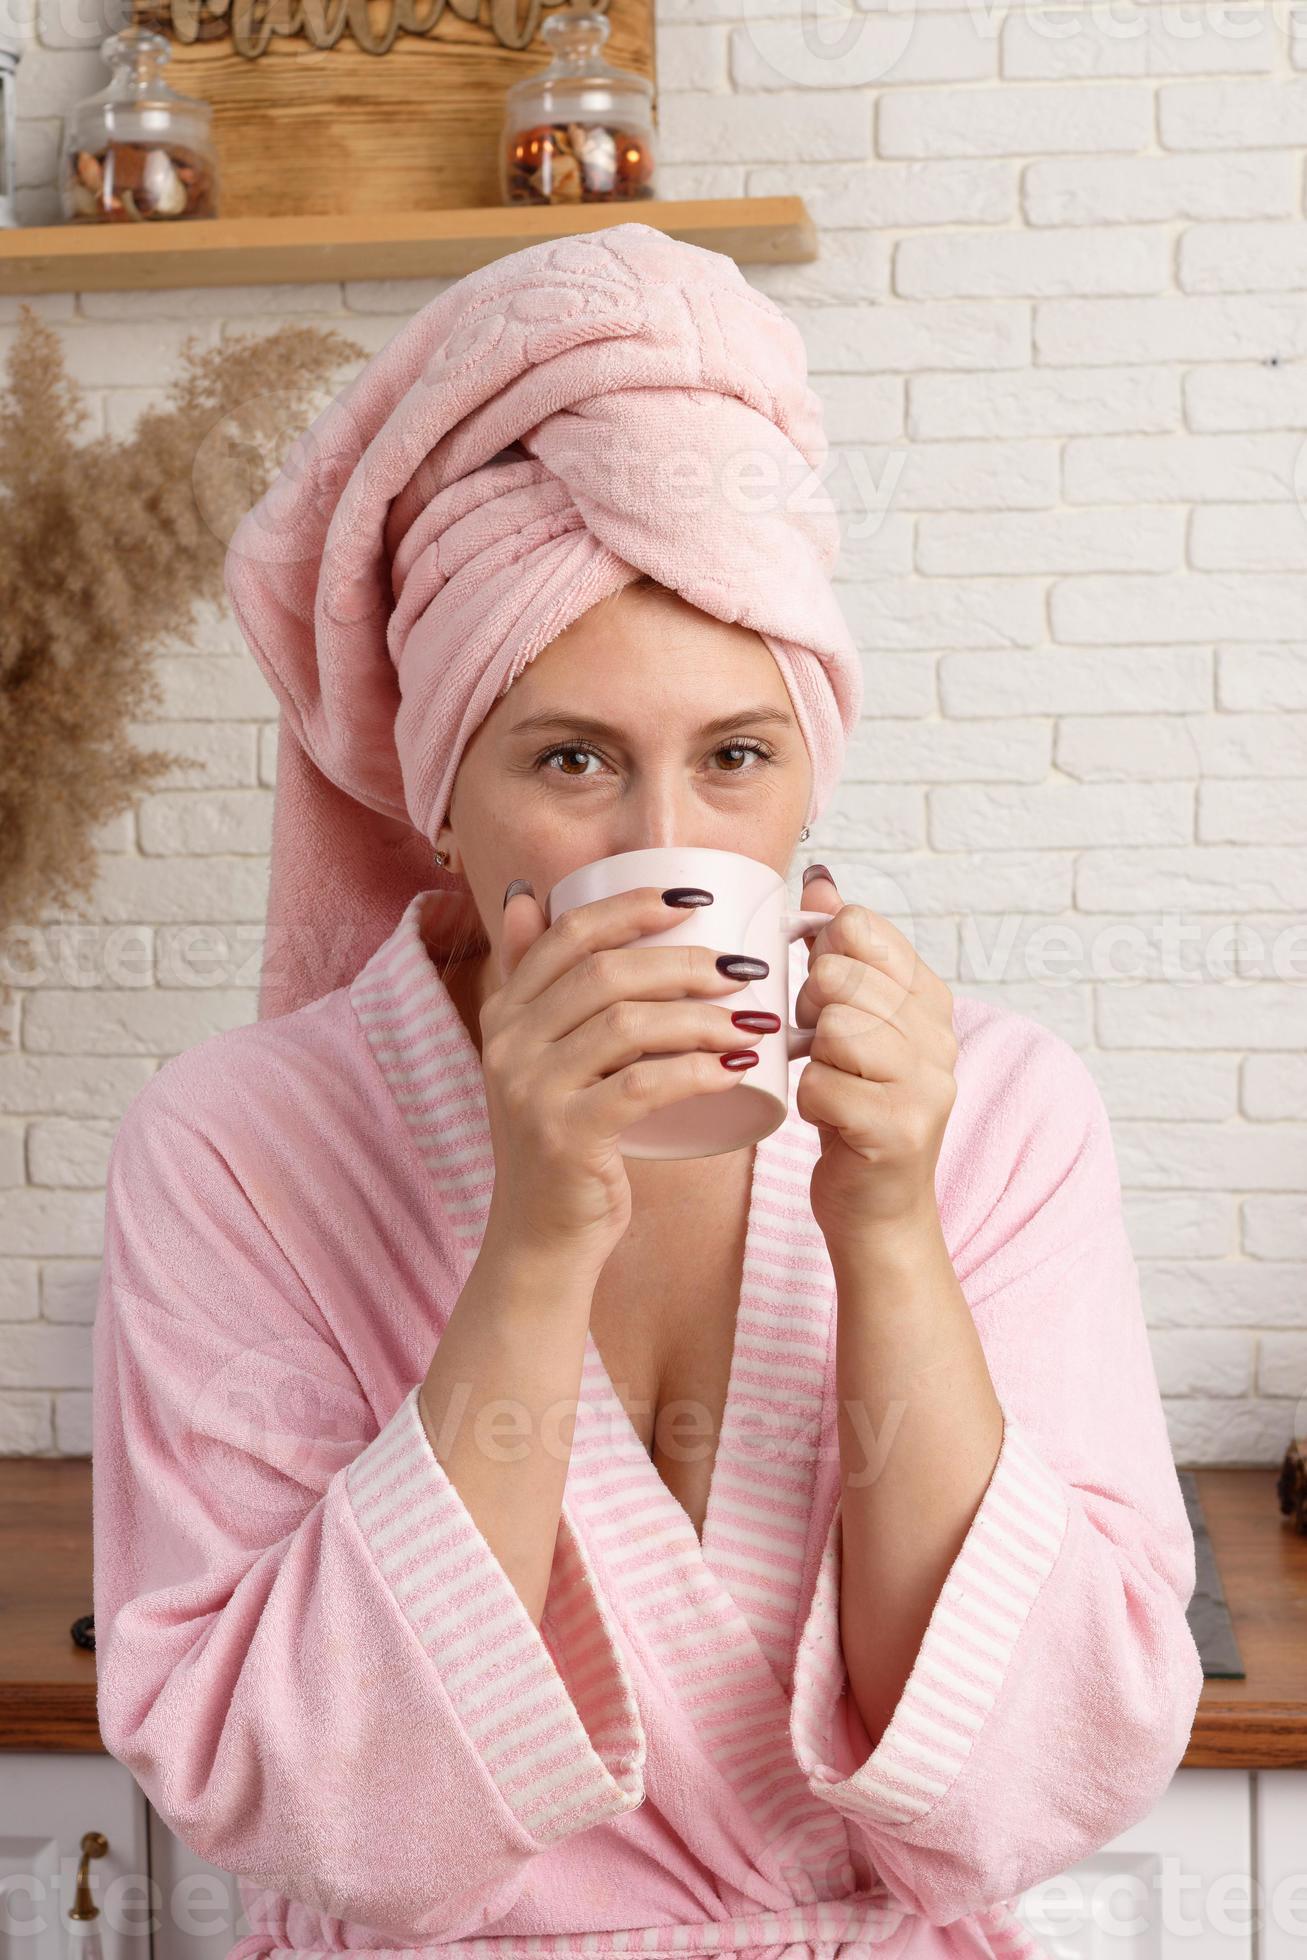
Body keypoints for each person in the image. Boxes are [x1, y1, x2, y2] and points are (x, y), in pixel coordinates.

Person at [91, 223, 1204, 1960]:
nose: (667, 848)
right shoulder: (238, 1150)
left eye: (737, 758)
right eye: (571, 760)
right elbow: (288, 1798)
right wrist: (533, 1239)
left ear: (806, 781)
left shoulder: (994, 1108)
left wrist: (892, 1223)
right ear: (441, 796)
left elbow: (1040, 1783)